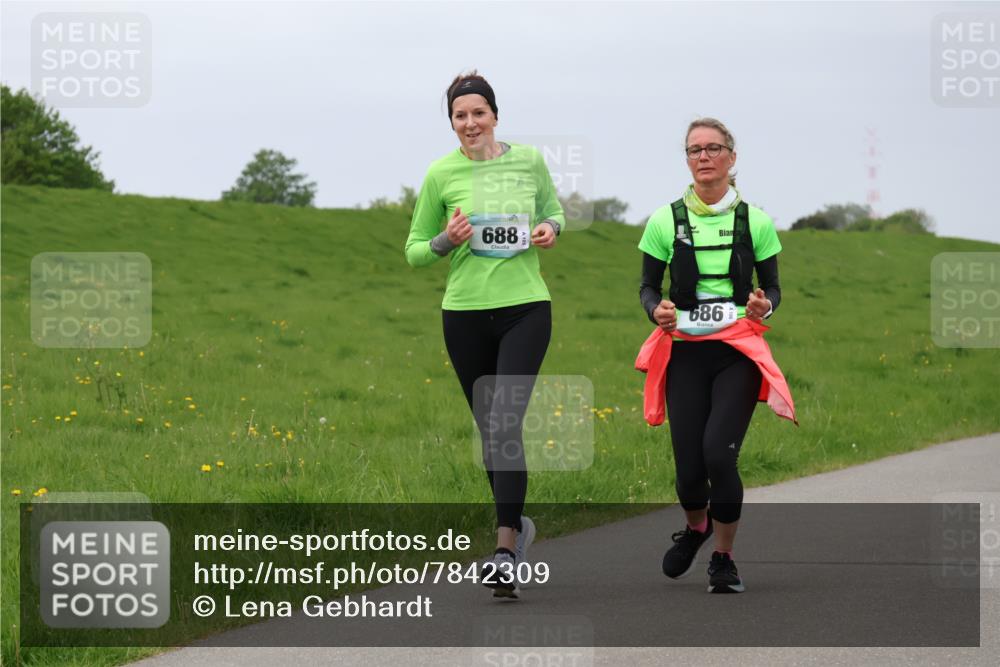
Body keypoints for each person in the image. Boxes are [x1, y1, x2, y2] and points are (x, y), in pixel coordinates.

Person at [404, 71, 565, 599]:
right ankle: (518, 527)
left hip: (525, 308)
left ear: (495, 114)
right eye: (459, 116)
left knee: (504, 420)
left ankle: (502, 548)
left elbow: (553, 212)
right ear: (450, 123)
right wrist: (445, 241)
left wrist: (550, 230)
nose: (470, 123)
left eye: (478, 112)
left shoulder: (529, 162)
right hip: (465, 314)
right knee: (491, 433)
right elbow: (413, 250)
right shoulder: (440, 173)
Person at [637, 117, 785, 594]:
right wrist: (655, 310)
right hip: (685, 352)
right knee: (688, 473)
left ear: (731, 158)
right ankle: (696, 527)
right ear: (687, 160)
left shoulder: (756, 221)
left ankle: (723, 557)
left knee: (719, 454)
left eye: (713, 148)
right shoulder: (664, 220)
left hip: (737, 349)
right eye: (694, 150)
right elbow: (646, 287)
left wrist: (766, 305)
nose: (704, 157)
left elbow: (774, 288)